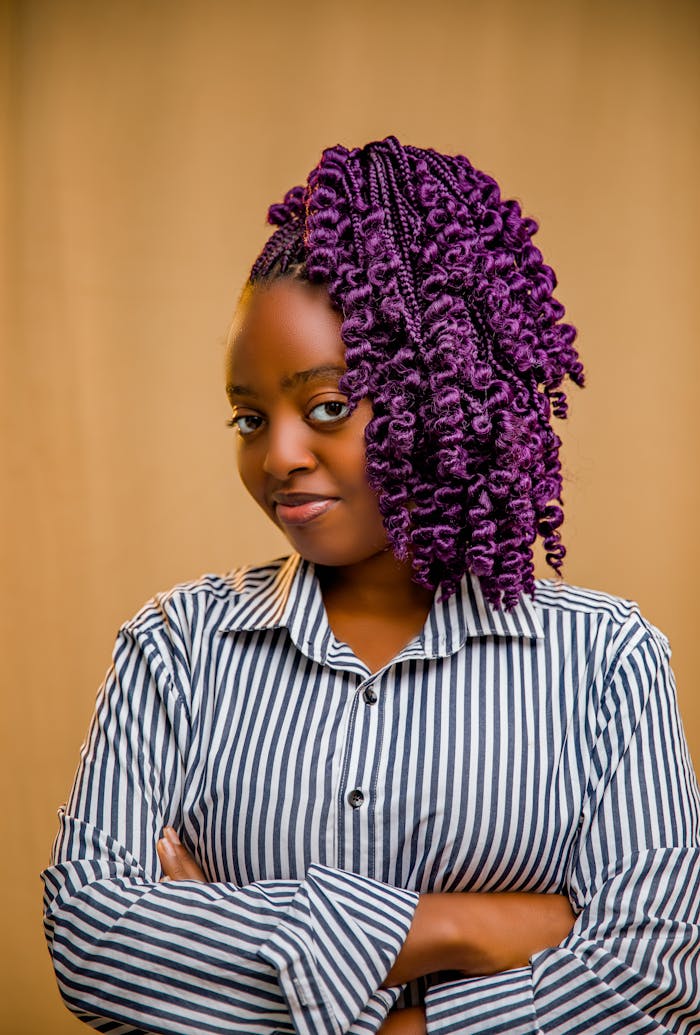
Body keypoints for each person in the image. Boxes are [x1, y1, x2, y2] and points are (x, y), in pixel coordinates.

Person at [41, 136, 700, 1035]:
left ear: (445, 390)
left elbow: (656, 977)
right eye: (248, 417)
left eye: (327, 407)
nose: (277, 455)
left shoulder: (605, 660)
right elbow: (94, 940)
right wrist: (469, 926)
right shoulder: (174, 649)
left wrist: (231, 937)